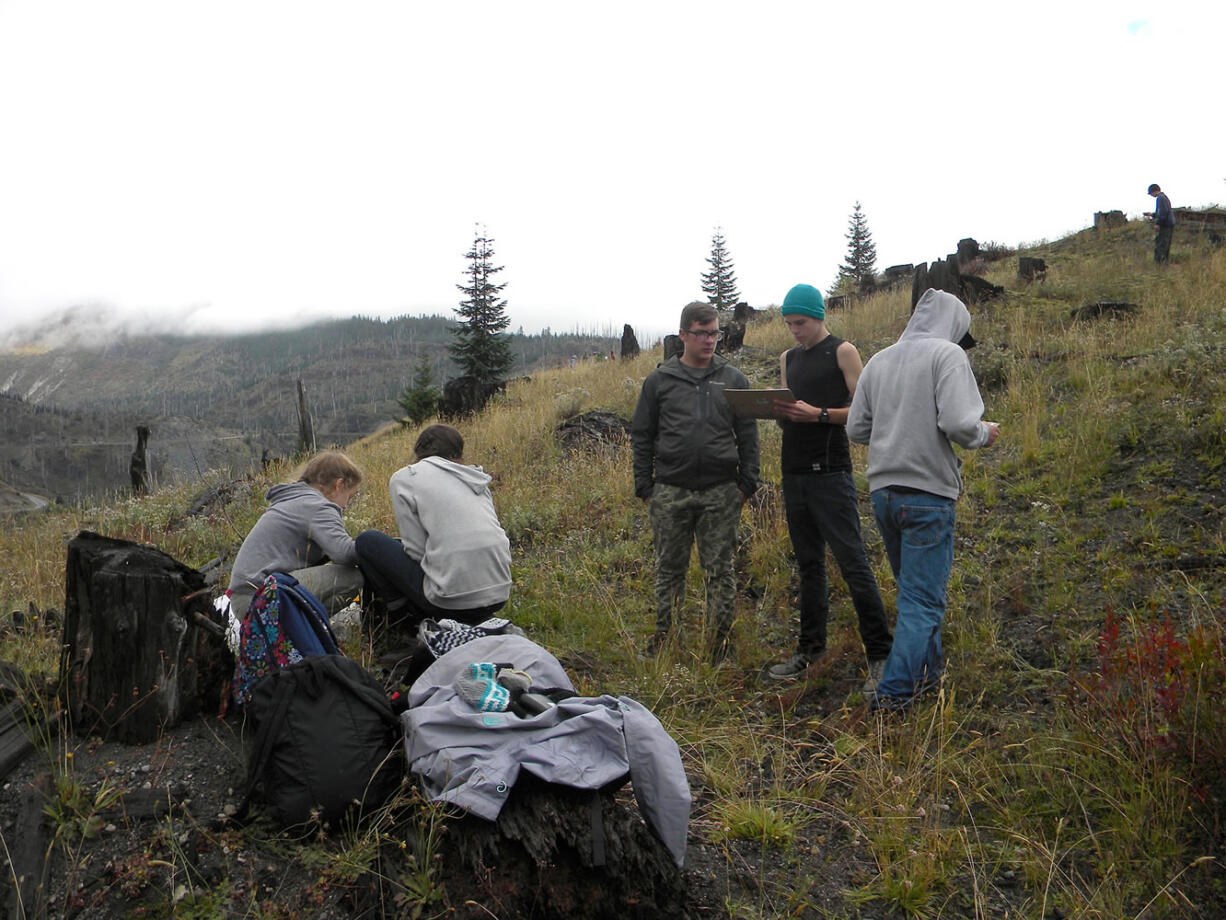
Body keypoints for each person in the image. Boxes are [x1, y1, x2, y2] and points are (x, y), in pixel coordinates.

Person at [846, 288, 1000, 710]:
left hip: (883, 494)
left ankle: (926, 677)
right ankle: (893, 697)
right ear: (954, 323)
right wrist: (984, 432)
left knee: (912, 593)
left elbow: (856, 429)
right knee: (923, 600)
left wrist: (894, 427)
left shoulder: (879, 360)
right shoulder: (947, 355)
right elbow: (958, 423)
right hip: (928, 493)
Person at [766, 284, 892, 689]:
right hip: (794, 471)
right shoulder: (788, 358)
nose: (794, 331)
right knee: (808, 565)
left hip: (831, 471)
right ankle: (809, 648)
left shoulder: (843, 351)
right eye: (788, 324)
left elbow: (864, 412)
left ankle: (881, 654)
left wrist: (817, 414)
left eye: (799, 322)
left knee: (853, 562)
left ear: (818, 316)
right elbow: (791, 410)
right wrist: (778, 412)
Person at [631, 301, 760, 662]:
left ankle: (721, 645)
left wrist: (747, 483)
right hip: (670, 491)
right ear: (683, 335)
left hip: (721, 491)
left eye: (714, 333)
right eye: (701, 333)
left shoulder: (733, 379)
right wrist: (645, 486)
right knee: (669, 569)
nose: (709, 340)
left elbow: (747, 433)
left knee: (720, 570)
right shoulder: (659, 381)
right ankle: (666, 639)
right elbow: (642, 434)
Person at [354, 424, 511, 626]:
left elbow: (416, 551)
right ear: (458, 454)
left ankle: (405, 621)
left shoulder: (405, 478)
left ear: (419, 452)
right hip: (499, 594)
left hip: (449, 602)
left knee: (369, 542)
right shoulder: (475, 478)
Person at [228, 450, 365, 618]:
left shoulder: (295, 499)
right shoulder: (317, 505)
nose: (345, 506)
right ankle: (304, 633)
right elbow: (344, 554)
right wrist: (377, 546)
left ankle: (295, 635)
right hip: (260, 597)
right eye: (349, 497)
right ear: (339, 484)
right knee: (352, 578)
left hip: (243, 599)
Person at [1148, 183, 1175, 264]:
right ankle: (1164, 263)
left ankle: (1159, 264)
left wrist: (1158, 224)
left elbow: (1163, 213)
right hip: (1168, 224)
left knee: (1161, 245)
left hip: (1165, 225)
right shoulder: (1164, 197)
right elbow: (1162, 212)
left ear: (1153, 191)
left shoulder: (1160, 198)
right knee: (1165, 245)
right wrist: (1152, 214)